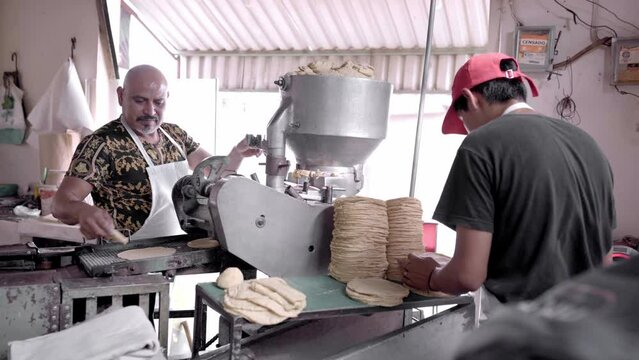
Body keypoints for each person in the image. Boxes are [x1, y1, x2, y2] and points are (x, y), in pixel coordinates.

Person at [400, 53, 616, 317]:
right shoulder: (588, 145)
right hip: (592, 332)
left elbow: (467, 276)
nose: (468, 130)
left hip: (525, 334)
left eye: (463, 121)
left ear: (469, 99)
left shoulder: (481, 145)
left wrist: (432, 277)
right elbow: (605, 261)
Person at [53, 64, 260, 241]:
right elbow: (60, 203)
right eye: (140, 101)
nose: (150, 111)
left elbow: (214, 174)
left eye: (158, 102)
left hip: (175, 253)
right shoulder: (101, 144)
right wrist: (82, 211)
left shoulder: (175, 135)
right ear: (121, 96)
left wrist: (237, 153)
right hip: (123, 260)